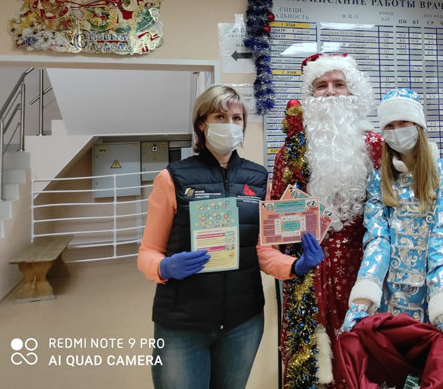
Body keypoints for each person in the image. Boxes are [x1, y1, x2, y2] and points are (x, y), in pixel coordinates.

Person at [138, 84, 324, 389]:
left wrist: (294, 266)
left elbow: (262, 250)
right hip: (183, 323)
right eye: (220, 117)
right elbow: (147, 252)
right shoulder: (172, 178)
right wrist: (164, 267)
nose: (230, 124)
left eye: (237, 118)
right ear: (202, 124)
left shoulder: (258, 178)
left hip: (243, 322)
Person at [341, 88, 443, 389]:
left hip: (438, 293)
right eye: (389, 126)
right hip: (391, 300)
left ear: (419, 125)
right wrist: (361, 301)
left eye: (404, 122)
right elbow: (377, 242)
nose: (397, 131)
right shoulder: (379, 180)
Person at [271, 53, 382, 388]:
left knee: (365, 365)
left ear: (353, 92)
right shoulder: (291, 153)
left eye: (339, 84)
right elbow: (277, 224)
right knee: (312, 369)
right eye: (321, 85)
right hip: (308, 277)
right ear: (310, 95)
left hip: (365, 274)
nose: (331, 92)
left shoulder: (376, 147)